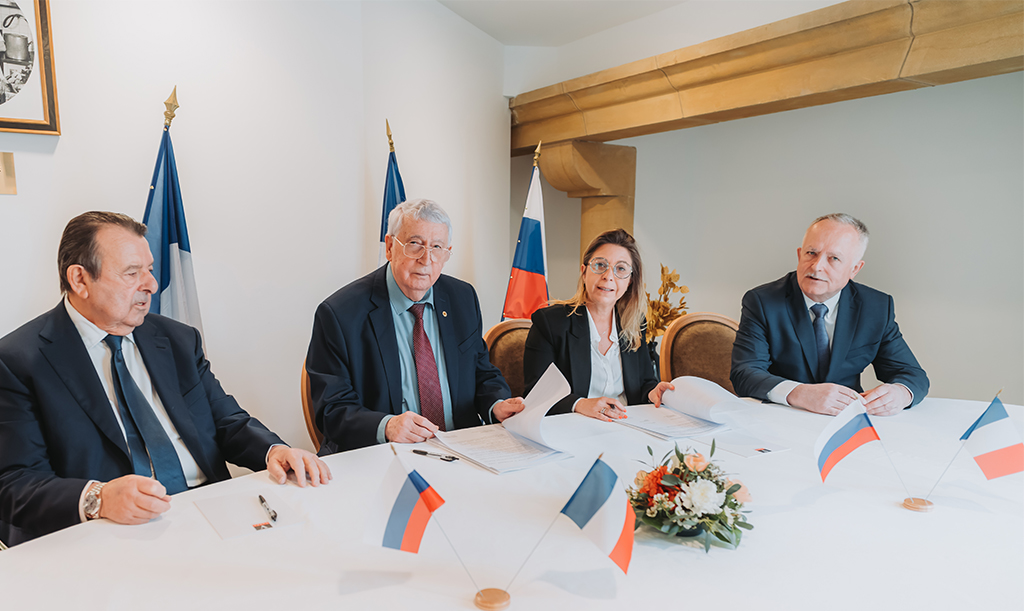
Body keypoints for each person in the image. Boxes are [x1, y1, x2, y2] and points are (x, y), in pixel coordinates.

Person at [0, 212, 332, 546]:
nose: (151, 285)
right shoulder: (18, 360)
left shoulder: (176, 339)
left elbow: (226, 421)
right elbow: (14, 483)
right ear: (80, 279)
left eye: (150, 270)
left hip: (209, 514)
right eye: (132, 273)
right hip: (108, 534)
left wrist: (273, 450)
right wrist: (99, 499)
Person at [306, 199, 523, 453]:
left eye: (437, 247)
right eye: (415, 244)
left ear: (447, 252)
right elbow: (332, 409)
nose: (426, 259)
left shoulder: (462, 298)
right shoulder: (340, 313)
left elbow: (481, 372)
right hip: (382, 454)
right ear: (390, 247)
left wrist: (496, 404)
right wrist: (387, 426)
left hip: (460, 450)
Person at [730, 213, 929, 416]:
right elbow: (745, 374)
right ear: (799, 255)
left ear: (854, 269)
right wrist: (800, 393)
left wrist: (900, 393)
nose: (817, 267)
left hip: (845, 420)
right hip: (781, 416)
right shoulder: (762, 301)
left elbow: (913, 375)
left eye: (834, 258)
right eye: (811, 253)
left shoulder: (875, 307)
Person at [523, 229, 673, 420]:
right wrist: (579, 404)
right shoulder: (551, 323)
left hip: (628, 425)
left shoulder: (636, 323)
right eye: (600, 265)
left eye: (621, 269)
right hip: (573, 426)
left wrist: (653, 393)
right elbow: (536, 393)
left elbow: (643, 384)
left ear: (630, 281)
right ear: (584, 272)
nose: (608, 276)